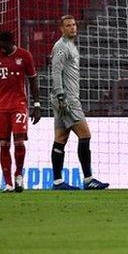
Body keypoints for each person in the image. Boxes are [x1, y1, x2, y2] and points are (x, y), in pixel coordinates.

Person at [50, 15, 109, 191]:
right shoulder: (61, 47)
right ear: (61, 29)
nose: (72, 28)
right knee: (85, 135)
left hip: (66, 98)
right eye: (68, 25)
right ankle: (88, 179)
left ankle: (58, 182)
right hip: (67, 100)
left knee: (60, 139)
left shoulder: (70, 46)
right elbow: (55, 72)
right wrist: (61, 96)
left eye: (74, 25)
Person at [0, 31, 41, 193]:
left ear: (12, 42)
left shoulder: (24, 56)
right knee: (3, 144)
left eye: (4, 46)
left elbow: (33, 80)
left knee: (19, 141)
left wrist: (37, 104)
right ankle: (8, 183)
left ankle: (19, 175)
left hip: (18, 105)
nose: (1, 48)